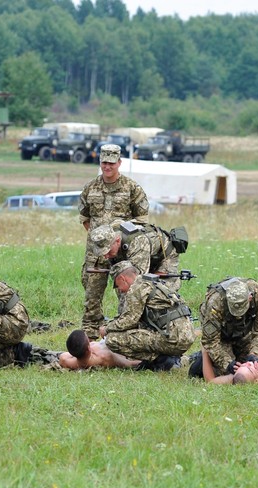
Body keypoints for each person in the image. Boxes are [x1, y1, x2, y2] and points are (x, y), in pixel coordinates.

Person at [79, 143, 150, 339]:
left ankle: (123, 334)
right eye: (104, 163)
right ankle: (90, 338)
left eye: (111, 163)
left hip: (121, 254)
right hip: (95, 255)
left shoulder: (132, 188)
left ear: (119, 162)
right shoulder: (90, 188)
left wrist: (118, 233)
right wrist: (98, 240)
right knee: (91, 298)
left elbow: (142, 220)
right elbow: (85, 218)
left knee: (126, 295)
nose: (107, 167)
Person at [96, 261, 195, 370]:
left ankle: (164, 361)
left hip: (173, 338)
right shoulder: (150, 282)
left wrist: (107, 329)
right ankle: (173, 359)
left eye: (118, 285)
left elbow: (129, 321)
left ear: (123, 279)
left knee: (112, 339)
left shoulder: (136, 288)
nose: (120, 290)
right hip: (184, 335)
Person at [195, 277, 258, 378]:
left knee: (250, 368)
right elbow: (210, 341)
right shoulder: (215, 302)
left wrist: (254, 353)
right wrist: (227, 363)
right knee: (229, 372)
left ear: (250, 298)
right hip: (221, 336)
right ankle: (201, 358)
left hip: (243, 333)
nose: (238, 315)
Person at [88, 220, 183, 292]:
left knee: (160, 291)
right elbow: (122, 283)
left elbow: (137, 283)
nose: (106, 256)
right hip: (140, 253)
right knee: (123, 281)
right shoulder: (109, 234)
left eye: (108, 251)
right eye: (103, 253)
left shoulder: (137, 243)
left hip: (164, 254)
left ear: (117, 241)